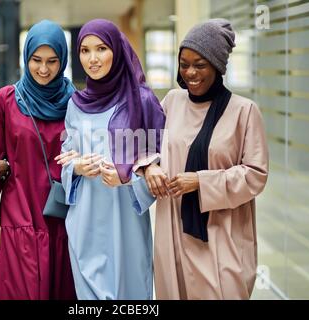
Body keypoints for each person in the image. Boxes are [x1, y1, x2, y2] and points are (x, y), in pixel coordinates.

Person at [145, 18, 269, 299]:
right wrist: (150, 167)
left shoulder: (244, 112)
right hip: (174, 230)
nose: (190, 73)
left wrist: (201, 181)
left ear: (217, 65)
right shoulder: (171, 103)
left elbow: (255, 174)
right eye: (184, 64)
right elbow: (145, 146)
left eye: (200, 65)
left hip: (221, 235)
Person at [57, 19, 165, 300]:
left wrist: (127, 174)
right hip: (85, 223)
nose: (92, 59)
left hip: (125, 224)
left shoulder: (141, 101)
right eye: (85, 50)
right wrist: (77, 167)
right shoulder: (75, 104)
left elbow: (159, 165)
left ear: (117, 50)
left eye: (101, 48)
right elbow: (65, 159)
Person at [0, 20, 77, 300]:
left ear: (63, 60)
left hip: (61, 221)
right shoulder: (6, 100)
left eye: (52, 61)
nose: (43, 69)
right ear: (26, 57)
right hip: (18, 218)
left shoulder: (77, 103)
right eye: (36, 60)